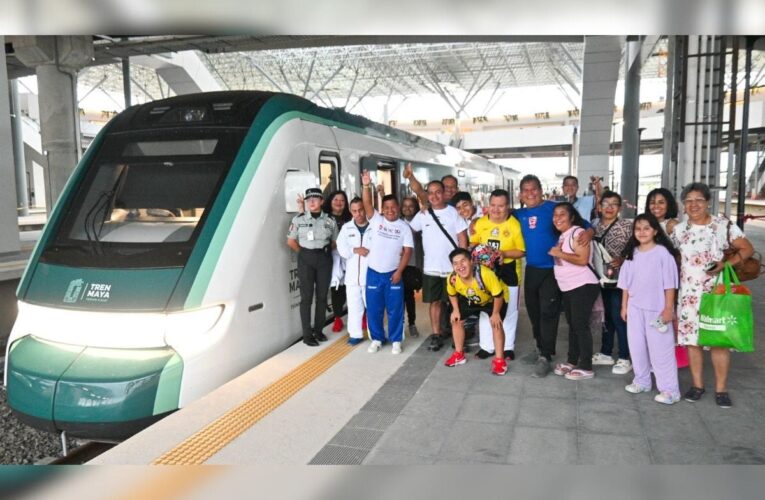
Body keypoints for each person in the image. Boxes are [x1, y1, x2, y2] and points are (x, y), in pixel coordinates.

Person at [671, 182, 754, 408]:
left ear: (708, 202)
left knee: (719, 341)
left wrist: (726, 264)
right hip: (688, 294)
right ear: (683, 205)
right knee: (692, 342)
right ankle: (698, 386)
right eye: (689, 200)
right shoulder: (679, 231)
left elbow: (747, 249)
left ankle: (721, 389)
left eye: (699, 200)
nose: (694, 204)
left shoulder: (722, 225)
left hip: (717, 292)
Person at [514, 175, 593, 377]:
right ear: (520, 194)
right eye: (526, 190)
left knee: (548, 312)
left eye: (534, 189)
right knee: (533, 312)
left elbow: (585, 224)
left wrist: (589, 233)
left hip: (553, 270)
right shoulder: (518, 214)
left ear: (541, 190)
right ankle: (540, 347)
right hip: (531, 269)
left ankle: (546, 356)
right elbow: (496, 216)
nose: (530, 193)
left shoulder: (554, 208)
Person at [618, 213, 681, 404]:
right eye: (638, 228)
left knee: (661, 350)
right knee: (636, 347)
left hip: (657, 309)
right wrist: (624, 306)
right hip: (635, 308)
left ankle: (670, 390)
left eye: (646, 228)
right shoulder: (632, 253)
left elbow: (670, 284)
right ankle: (642, 381)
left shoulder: (662, 253)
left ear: (655, 231)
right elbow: (626, 284)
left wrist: (668, 308)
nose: (642, 232)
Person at [405, 167, 469, 352]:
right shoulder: (422, 214)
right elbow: (408, 231)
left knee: (456, 302)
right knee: (435, 303)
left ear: (443, 194)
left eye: (437, 192)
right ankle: (436, 334)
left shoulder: (454, 213)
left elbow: (462, 239)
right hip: (431, 268)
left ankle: (457, 334)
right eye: (430, 193)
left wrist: (463, 266)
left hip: (452, 268)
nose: (433, 196)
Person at [361, 170, 413, 355]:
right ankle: (376, 339)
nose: (390, 211)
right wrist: (366, 185)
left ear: (398, 209)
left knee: (395, 309)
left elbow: (408, 252)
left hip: (393, 273)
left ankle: (396, 339)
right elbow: (367, 203)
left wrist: (399, 272)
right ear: (382, 209)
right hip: (374, 273)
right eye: (387, 208)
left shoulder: (404, 228)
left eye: (394, 208)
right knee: (374, 309)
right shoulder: (376, 220)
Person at [469, 189, 525, 361]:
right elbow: (474, 243)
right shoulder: (480, 223)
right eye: (493, 205)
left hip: (509, 273)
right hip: (486, 274)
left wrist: (504, 254)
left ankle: (508, 347)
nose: (496, 209)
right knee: (486, 310)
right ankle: (487, 346)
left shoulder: (514, 225)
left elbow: (522, 251)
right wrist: (476, 251)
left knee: (509, 311)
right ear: (488, 205)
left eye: (500, 206)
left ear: (507, 206)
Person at [548, 203, 601, 381]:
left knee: (579, 324)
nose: (557, 218)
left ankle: (586, 365)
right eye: (555, 215)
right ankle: (572, 360)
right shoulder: (564, 235)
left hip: (583, 285)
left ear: (572, 217)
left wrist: (559, 253)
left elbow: (583, 259)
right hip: (569, 286)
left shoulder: (578, 233)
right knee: (573, 324)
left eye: (562, 214)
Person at [444, 248, 509, 376]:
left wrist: (495, 313)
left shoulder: (485, 274)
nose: (460, 266)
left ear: (471, 261)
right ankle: (459, 355)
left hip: (493, 299)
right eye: (455, 263)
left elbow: (498, 295)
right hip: (472, 298)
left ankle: (500, 361)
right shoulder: (452, 278)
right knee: (456, 320)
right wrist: (455, 310)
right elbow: (451, 294)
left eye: (463, 261)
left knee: (496, 324)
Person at [287, 188, 338, 346]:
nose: (312, 202)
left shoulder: (330, 220)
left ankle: (319, 331)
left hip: (324, 259)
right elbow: (290, 241)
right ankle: (307, 335)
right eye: (309, 200)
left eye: (315, 199)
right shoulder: (298, 220)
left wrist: (322, 252)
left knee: (322, 297)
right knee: (306, 298)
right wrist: (303, 253)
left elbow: (335, 242)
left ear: (322, 201)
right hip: (305, 259)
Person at [590, 191, 634, 375]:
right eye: (605, 203)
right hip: (601, 278)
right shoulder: (594, 225)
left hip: (620, 280)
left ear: (619, 208)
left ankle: (625, 357)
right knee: (606, 317)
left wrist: (624, 259)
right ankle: (606, 352)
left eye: (614, 204)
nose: (609, 207)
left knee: (619, 316)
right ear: (599, 207)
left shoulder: (626, 226)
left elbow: (636, 248)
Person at [336, 197, 371, 346]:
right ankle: (355, 335)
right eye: (355, 211)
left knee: (373, 308)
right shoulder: (346, 228)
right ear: (351, 211)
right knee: (354, 307)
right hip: (352, 277)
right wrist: (355, 249)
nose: (358, 214)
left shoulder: (374, 226)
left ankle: (375, 335)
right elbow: (341, 249)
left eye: (361, 210)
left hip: (370, 276)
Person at [322, 191, 353, 333]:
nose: (339, 202)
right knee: (336, 289)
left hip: (351, 257)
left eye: (342, 200)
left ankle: (359, 316)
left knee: (353, 287)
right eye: (336, 199)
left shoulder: (351, 218)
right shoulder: (325, 218)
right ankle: (338, 318)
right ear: (330, 201)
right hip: (333, 257)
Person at [400, 195, 424, 338]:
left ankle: (412, 323)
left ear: (416, 208)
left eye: (411, 206)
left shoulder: (420, 223)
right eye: (404, 205)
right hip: (397, 265)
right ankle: (401, 323)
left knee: (409, 296)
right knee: (398, 297)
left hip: (412, 265)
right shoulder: (397, 222)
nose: (407, 208)